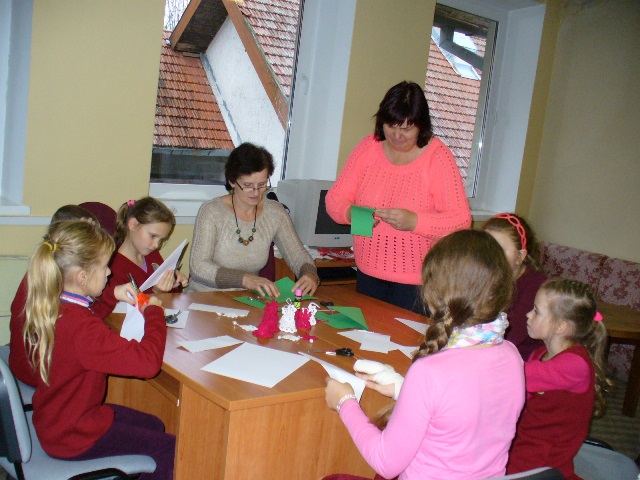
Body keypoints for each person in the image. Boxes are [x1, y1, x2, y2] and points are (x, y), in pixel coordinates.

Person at [324, 230, 525, 480]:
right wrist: (403, 387)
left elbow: (385, 463)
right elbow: (460, 417)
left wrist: (345, 402)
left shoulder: (431, 371)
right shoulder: (512, 355)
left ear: (433, 294)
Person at [24, 220, 175, 480]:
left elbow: (89, 321)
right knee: (170, 450)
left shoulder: (55, 305)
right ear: (83, 277)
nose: (108, 273)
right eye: (105, 267)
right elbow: (147, 364)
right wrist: (154, 313)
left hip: (56, 420)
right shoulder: (82, 329)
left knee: (155, 425)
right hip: (74, 437)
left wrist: (111, 294)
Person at [326, 81, 471, 313]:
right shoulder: (368, 148)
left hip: (417, 284)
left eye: (406, 129)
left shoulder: (438, 157)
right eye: (390, 125)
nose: (396, 135)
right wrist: (355, 215)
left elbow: (461, 220)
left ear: (421, 126)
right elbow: (334, 200)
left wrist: (414, 222)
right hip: (367, 272)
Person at [507, 279, 611, 479]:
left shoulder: (574, 365)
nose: (528, 315)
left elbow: (515, 376)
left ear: (561, 326)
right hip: (528, 443)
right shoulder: (540, 354)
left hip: (544, 459)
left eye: (536, 311)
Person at [189, 142, 319, 297]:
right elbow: (198, 267)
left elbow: (298, 255)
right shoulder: (212, 211)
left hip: (248, 300)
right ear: (232, 181)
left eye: (262, 184)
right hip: (204, 299)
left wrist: (310, 274)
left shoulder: (275, 213)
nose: (256, 192)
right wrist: (244, 279)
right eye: (248, 185)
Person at [9, 205, 109, 387]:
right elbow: (85, 322)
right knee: (94, 371)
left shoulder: (45, 273)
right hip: (39, 371)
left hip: (28, 361)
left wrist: (112, 295)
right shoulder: (50, 281)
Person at [94, 196, 188, 316]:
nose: (156, 245)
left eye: (161, 240)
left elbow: (169, 299)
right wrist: (156, 291)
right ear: (133, 225)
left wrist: (174, 282)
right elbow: (120, 311)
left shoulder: (151, 255)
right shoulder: (112, 265)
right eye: (153, 236)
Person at [483, 212, 547, 360]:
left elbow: (511, 336)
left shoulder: (536, 287)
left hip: (520, 361)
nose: (491, 255)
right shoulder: (486, 277)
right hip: (489, 351)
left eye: (500, 249)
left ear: (520, 256)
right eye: (486, 247)